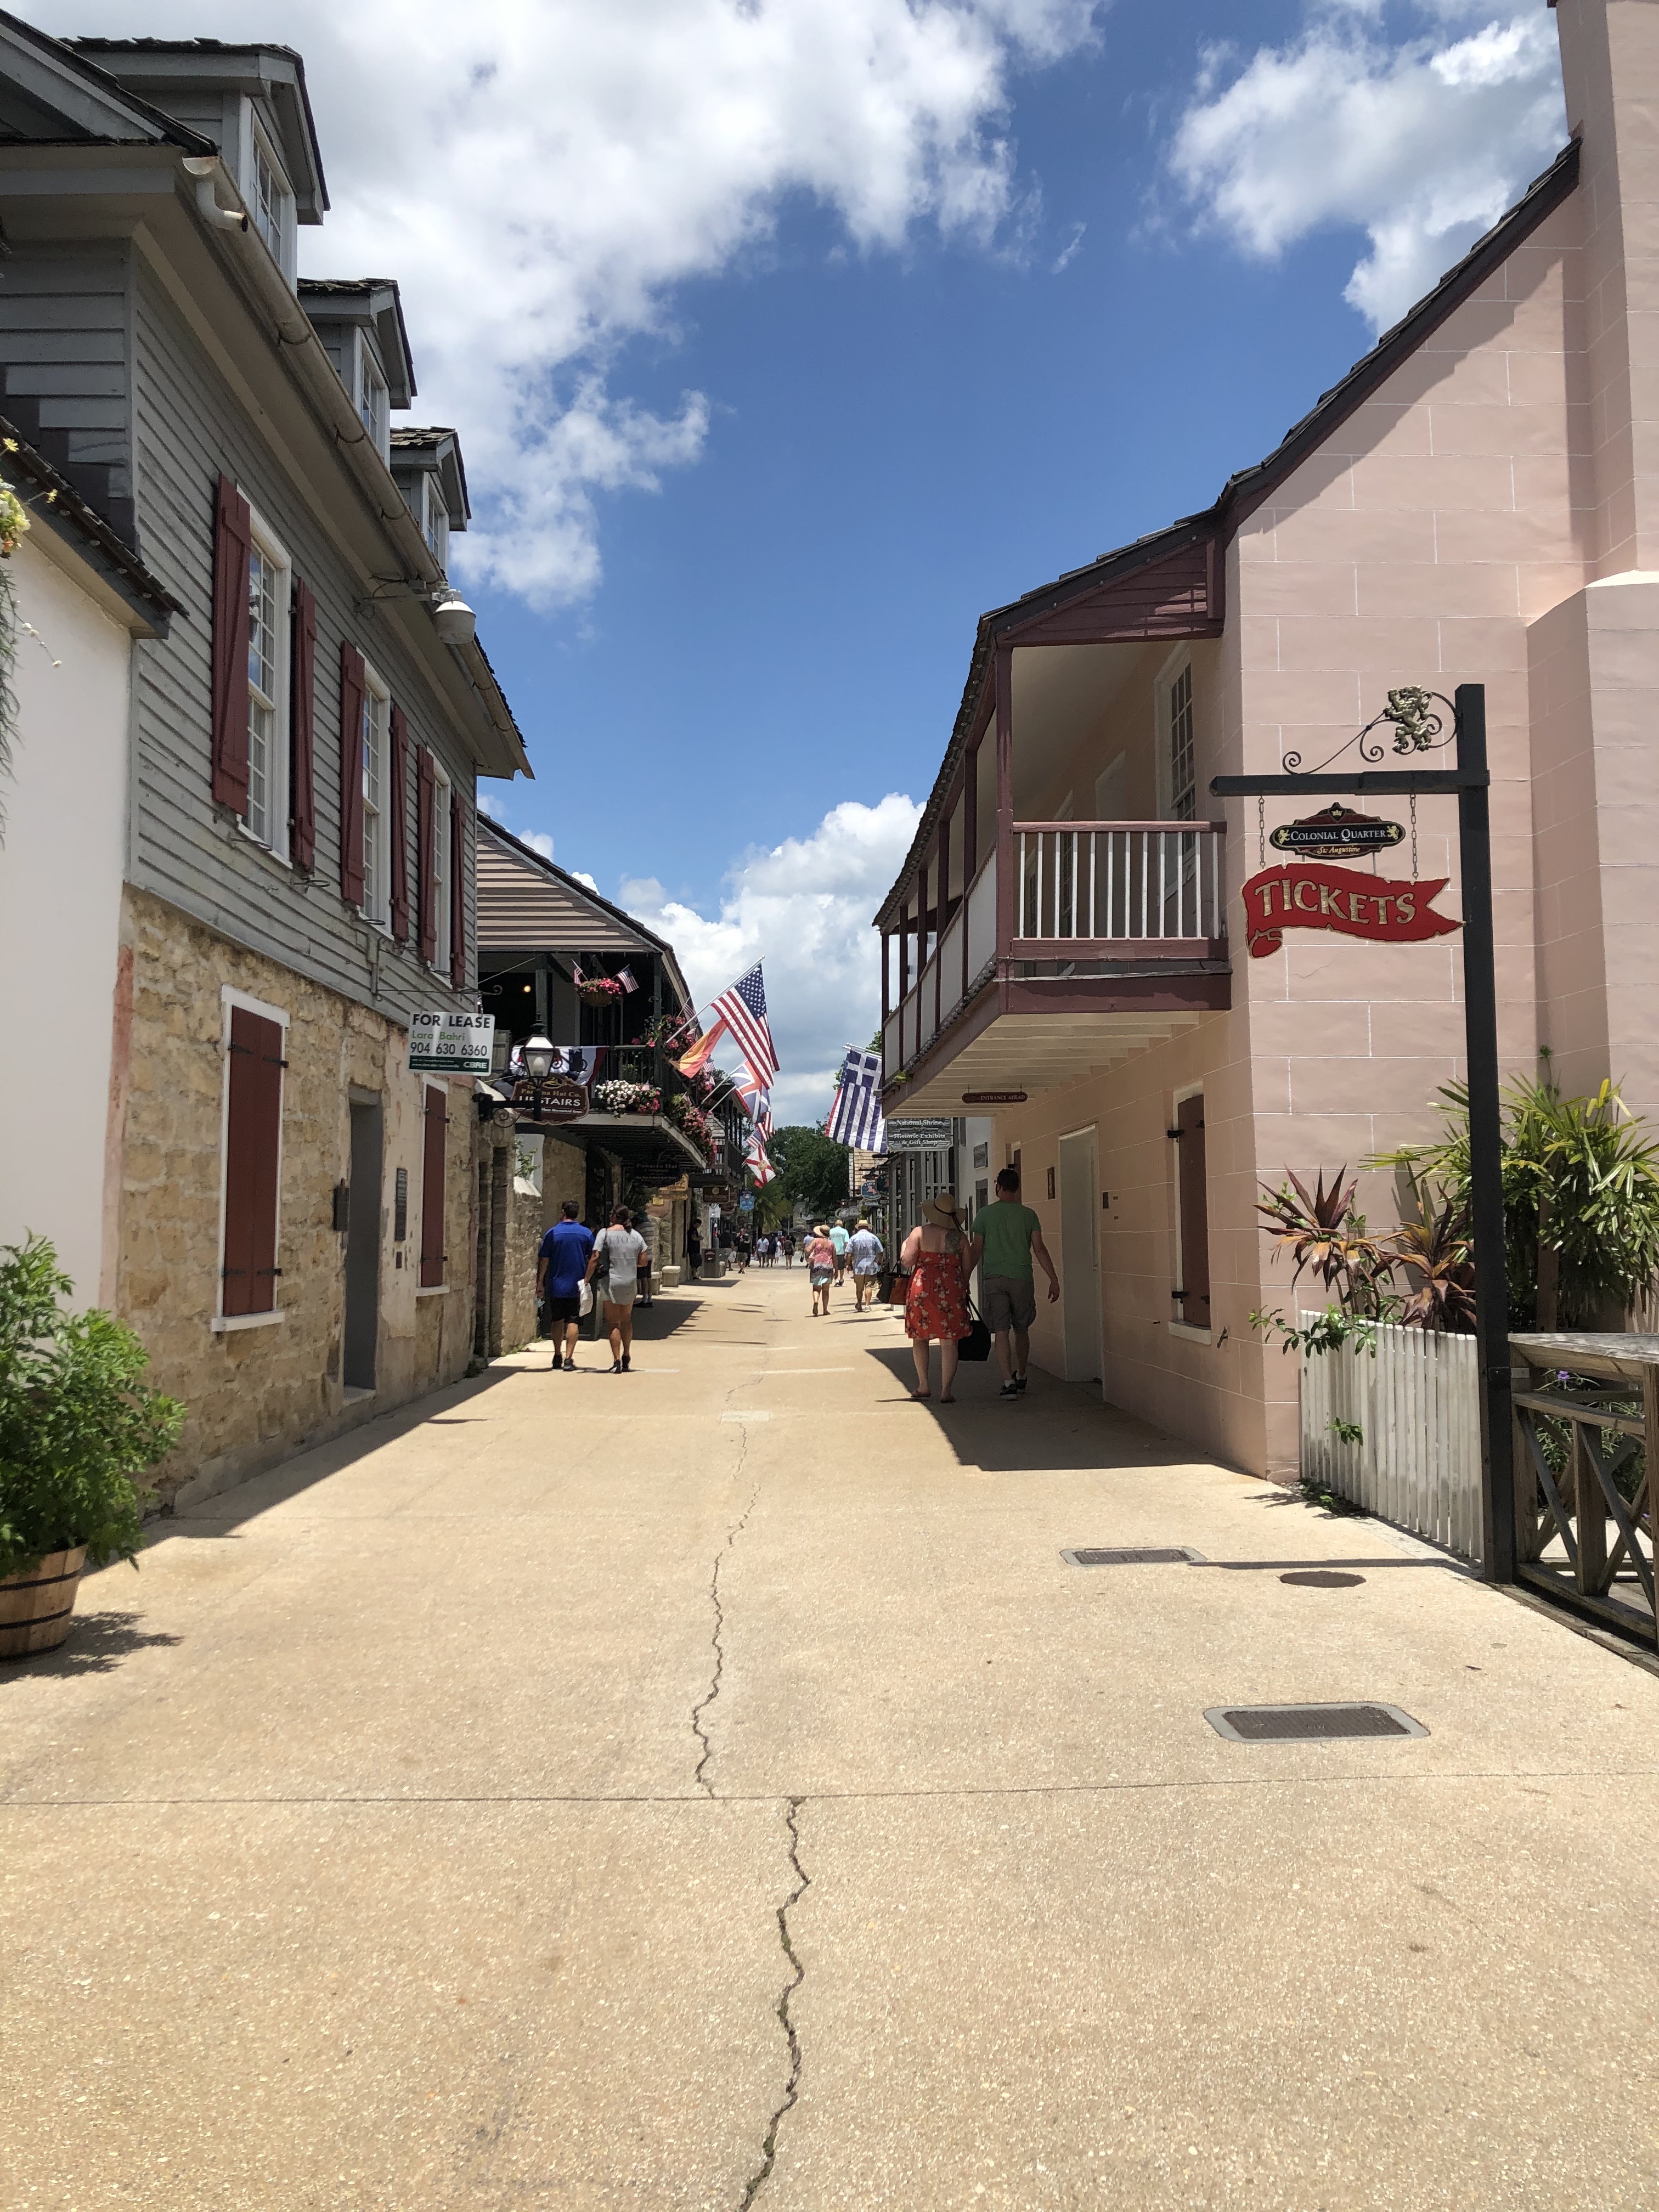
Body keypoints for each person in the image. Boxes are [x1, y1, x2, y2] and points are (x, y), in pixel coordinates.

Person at [977, 1164, 1059, 1400]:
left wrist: (964, 1277)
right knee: (1022, 1328)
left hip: (994, 1278)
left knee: (1001, 1330)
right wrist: (1053, 1278)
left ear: (999, 1187)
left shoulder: (985, 1215)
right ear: (1017, 1189)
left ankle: (1008, 1381)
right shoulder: (1029, 1215)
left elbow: (976, 1249)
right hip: (1022, 1278)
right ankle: (1021, 1374)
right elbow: (1040, 1249)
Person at [899, 1193, 981, 1403]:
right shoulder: (960, 1238)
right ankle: (946, 1390)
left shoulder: (919, 1233)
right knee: (950, 1341)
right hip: (951, 1288)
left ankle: (924, 1385)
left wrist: (903, 1249)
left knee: (920, 1338)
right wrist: (960, 1284)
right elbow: (967, 1268)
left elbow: (907, 1262)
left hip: (923, 1289)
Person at [536, 1199, 595, 1371]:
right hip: (577, 1285)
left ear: (563, 1212)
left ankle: (557, 1355)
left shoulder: (553, 1233)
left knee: (557, 1320)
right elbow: (594, 1257)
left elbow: (544, 1259)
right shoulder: (585, 1234)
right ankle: (569, 1358)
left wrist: (540, 1282)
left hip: (556, 1284)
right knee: (573, 1320)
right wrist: (587, 1278)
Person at [588, 1205, 647, 1372]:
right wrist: (630, 1264)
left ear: (614, 1217)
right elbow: (644, 1260)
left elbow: (595, 1257)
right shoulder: (635, 1235)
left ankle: (617, 1361)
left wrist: (587, 1278)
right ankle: (627, 1353)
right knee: (626, 1319)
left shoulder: (604, 1234)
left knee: (613, 1322)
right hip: (630, 1281)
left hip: (611, 1281)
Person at [847, 1217, 884, 1310]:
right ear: (868, 1228)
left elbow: (848, 1253)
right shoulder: (874, 1237)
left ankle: (859, 1304)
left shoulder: (854, 1238)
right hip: (871, 1266)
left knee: (859, 1287)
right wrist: (879, 1261)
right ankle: (867, 1306)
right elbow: (880, 1251)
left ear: (858, 1228)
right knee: (869, 1286)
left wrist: (848, 1264)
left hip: (858, 1267)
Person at [805, 1223, 837, 1316]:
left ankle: (816, 1301)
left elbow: (808, 1250)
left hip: (816, 1266)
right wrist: (836, 1270)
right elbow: (835, 1258)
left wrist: (808, 1258)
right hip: (828, 1267)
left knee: (816, 1288)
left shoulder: (815, 1241)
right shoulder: (831, 1243)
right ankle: (825, 1310)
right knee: (826, 1290)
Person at [829, 1218, 851, 1285]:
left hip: (832, 1252)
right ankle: (841, 1279)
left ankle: (836, 1280)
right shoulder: (845, 1231)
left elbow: (828, 1241)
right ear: (842, 1225)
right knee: (841, 1267)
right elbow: (847, 1242)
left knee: (834, 1266)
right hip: (841, 1251)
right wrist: (847, 1252)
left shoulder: (831, 1231)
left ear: (835, 1224)